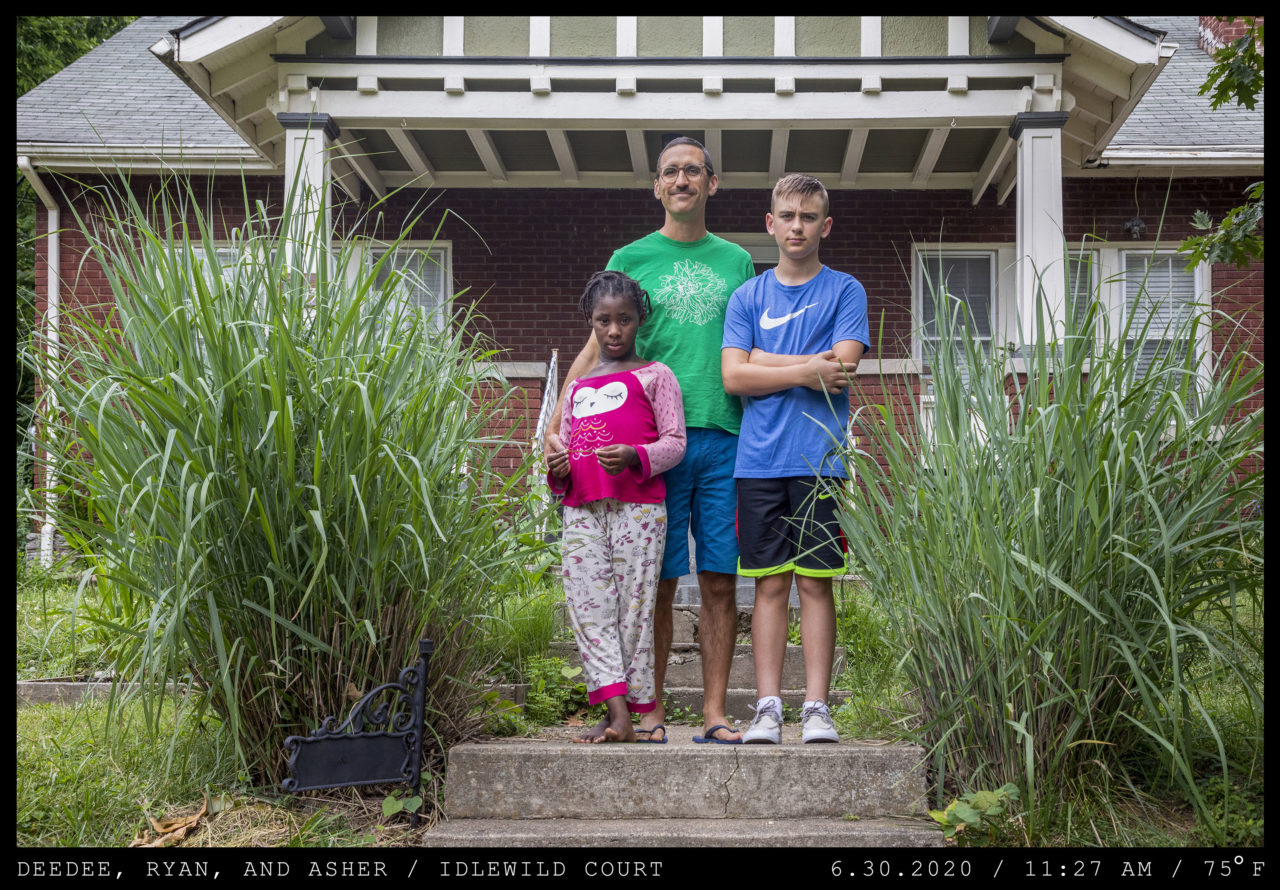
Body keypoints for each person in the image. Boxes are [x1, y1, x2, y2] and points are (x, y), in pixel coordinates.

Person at [549, 138, 844, 744]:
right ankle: (649, 708)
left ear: (712, 183)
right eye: (670, 173)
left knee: (717, 577)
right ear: (656, 186)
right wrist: (559, 415)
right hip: (648, 446)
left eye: (692, 171)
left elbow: (750, 346)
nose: (681, 180)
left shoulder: (738, 261)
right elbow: (597, 344)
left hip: (728, 435)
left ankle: (714, 711)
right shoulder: (631, 255)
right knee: (651, 578)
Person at [720, 173, 870, 744]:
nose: (797, 226)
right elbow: (734, 377)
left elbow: (841, 371)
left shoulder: (845, 290)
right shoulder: (748, 297)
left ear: (824, 225)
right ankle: (767, 707)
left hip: (821, 461)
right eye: (787, 216)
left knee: (816, 585)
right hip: (757, 462)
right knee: (768, 585)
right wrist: (807, 366)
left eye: (808, 217)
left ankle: (815, 708)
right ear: (770, 224)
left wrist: (768, 363)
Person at [547, 270, 687, 743]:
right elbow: (560, 450)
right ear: (590, 321)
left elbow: (676, 443)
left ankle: (623, 715)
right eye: (603, 321)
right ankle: (615, 709)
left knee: (634, 610)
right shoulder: (578, 387)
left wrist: (636, 456)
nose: (613, 331)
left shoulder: (656, 376)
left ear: (639, 320)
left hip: (639, 509)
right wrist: (558, 466)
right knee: (588, 607)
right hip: (582, 509)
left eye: (624, 320)